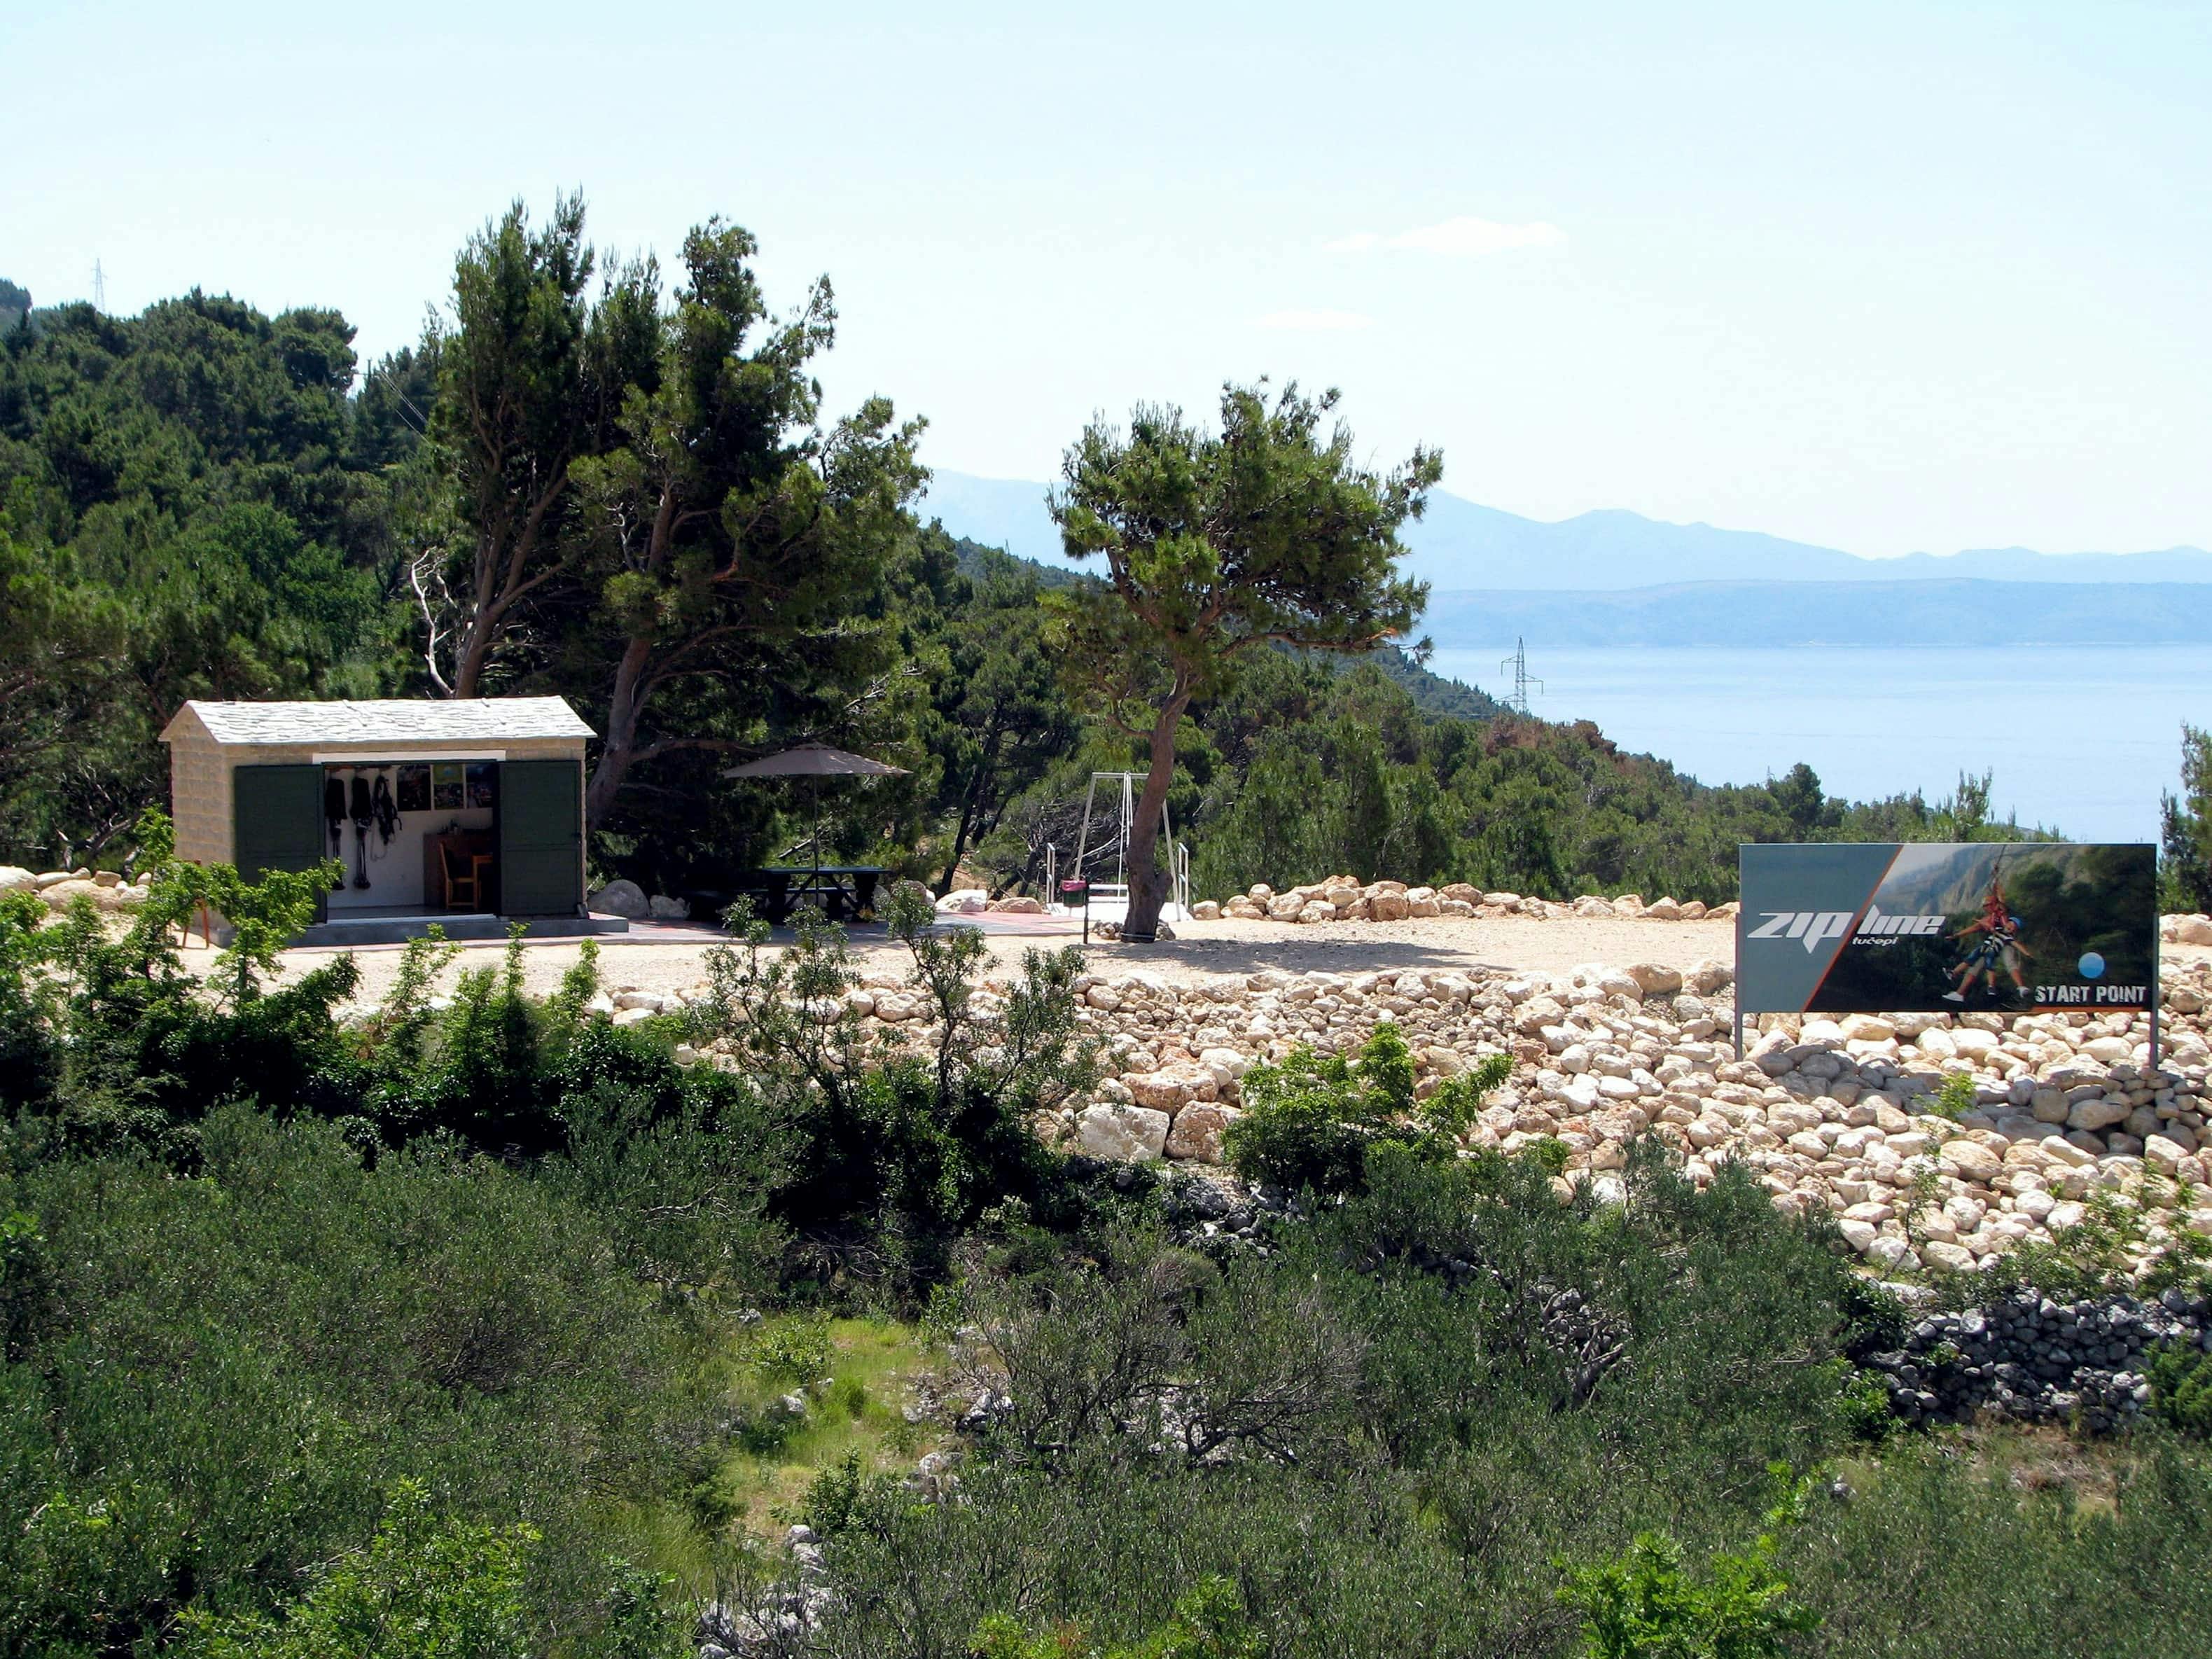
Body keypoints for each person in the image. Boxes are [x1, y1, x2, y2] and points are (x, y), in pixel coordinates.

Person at [1943, 877, 2030, 1004]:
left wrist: (1996, 880)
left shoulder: (2002, 913)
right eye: (1985, 906)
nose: (1986, 908)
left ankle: (2021, 987)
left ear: (1993, 905)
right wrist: (1956, 935)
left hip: (2005, 941)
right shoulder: (1990, 918)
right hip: (1992, 944)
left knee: (2009, 962)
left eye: (1988, 905)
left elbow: (1999, 896)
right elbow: (1974, 928)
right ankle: (1960, 993)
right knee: (1975, 965)